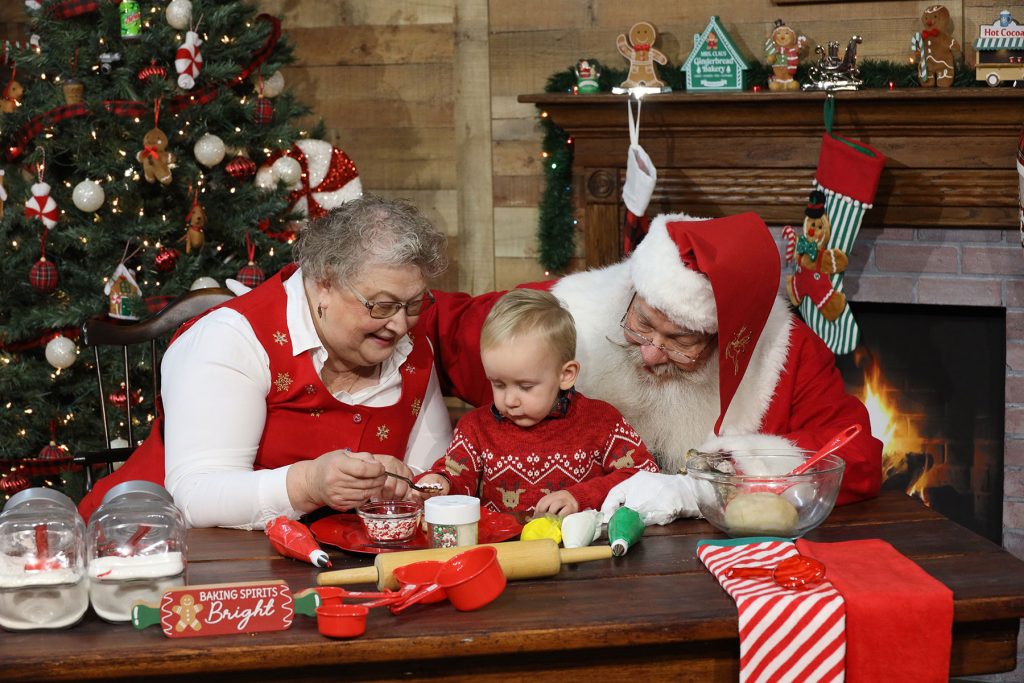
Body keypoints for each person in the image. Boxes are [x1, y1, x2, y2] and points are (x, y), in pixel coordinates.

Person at [416, 211, 883, 523]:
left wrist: (715, 483)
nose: (650, 353)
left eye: (681, 342)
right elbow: (430, 321)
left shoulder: (783, 355)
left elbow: (856, 456)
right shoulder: (565, 311)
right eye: (641, 324)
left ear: (728, 341)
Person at [78, 195, 453, 528]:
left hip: (317, 569)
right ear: (324, 281)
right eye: (382, 305)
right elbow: (195, 495)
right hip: (148, 549)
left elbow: (431, 471)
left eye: (415, 304)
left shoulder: (410, 350)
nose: (401, 324)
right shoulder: (233, 338)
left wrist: (405, 486)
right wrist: (310, 483)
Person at [414, 289, 660, 515]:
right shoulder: (475, 429)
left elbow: (644, 474)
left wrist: (581, 497)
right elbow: (457, 477)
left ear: (566, 375)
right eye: (498, 384)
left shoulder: (601, 421)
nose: (509, 400)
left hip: (581, 554)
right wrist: (440, 483)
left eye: (525, 386)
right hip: (503, 552)